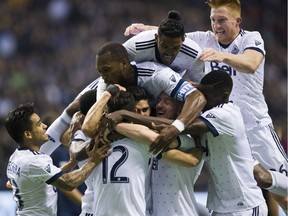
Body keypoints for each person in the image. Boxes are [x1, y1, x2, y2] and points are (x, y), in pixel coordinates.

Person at [123, 0, 288, 212]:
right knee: (248, 185)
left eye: (222, 20)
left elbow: (251, 63)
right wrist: (147, 28)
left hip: (254, 127)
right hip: (218, 127)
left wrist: (223, 56)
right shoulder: (204, 39)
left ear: (237, 21)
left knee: (277, 188)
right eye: (212, 20)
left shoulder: (251, 38)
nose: (216, 26)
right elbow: (177, 37)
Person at [109, 70, 268, 215]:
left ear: (180, 110)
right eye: (159, 100)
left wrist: (122, 119)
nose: (159, 105)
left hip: (243, 206)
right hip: (221, 207)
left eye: (167, 101)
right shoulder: (197, 129)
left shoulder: (209, 124)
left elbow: (189, 155)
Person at [93, 41, 206, 155]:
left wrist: (175, 128)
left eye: (107, 70)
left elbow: (198, 97)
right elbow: (98, 127)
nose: (103, 76)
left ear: (124, 63)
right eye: (100, 71)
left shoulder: (156, 75)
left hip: (178, 133)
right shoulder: (105, 85)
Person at [5, 103, 111, 216]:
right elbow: (68, 183)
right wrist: (93, 162)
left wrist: (71, 163)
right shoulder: (33, 161)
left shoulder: (16, 157)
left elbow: (45, 177)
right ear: (28, 134)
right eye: (39, 124)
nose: (45, 126)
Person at [123, 10, 205, 82]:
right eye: (164, 46)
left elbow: (199, 84)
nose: (169, 53)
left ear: (183, 40)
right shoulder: (136, 45)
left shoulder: (194, 54)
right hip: (138, 84)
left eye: (175, 47)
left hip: (171, 92)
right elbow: (114, 63)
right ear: (156, 38)